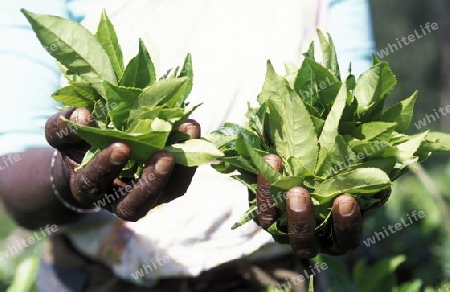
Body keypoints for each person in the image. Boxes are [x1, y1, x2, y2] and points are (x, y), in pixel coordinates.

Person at [0, 0, 384, 291]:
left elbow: (349, 106)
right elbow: (14, 173)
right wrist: (71, 176)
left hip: (272, 275)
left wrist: (343, 193)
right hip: (95, 275)